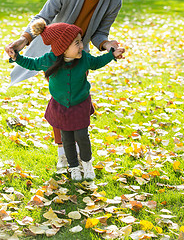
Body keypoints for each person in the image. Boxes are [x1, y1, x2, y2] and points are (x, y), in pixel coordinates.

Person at [5, 0, 123, 169]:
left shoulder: (113, 0)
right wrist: (24, 40)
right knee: (61, 103)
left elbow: (100, 33)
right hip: (56, 55)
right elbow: (43, 16)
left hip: (81, 53)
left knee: (77, 101)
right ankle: (63, 152)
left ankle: (76, 151)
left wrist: (108, 45)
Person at [6, 19, 125, 181]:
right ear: (62, 48)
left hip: (80, 104)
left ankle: (87, 164)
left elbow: (97, 62)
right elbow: (31, 63)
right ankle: (74, 167)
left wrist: (112, 55)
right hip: (60, 106)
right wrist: (16, 57)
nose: (82, 46)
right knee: (67, 138)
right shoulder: (49, 60)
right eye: (77, 43)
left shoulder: (84, 59)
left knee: (82, 136)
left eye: (81, 41)